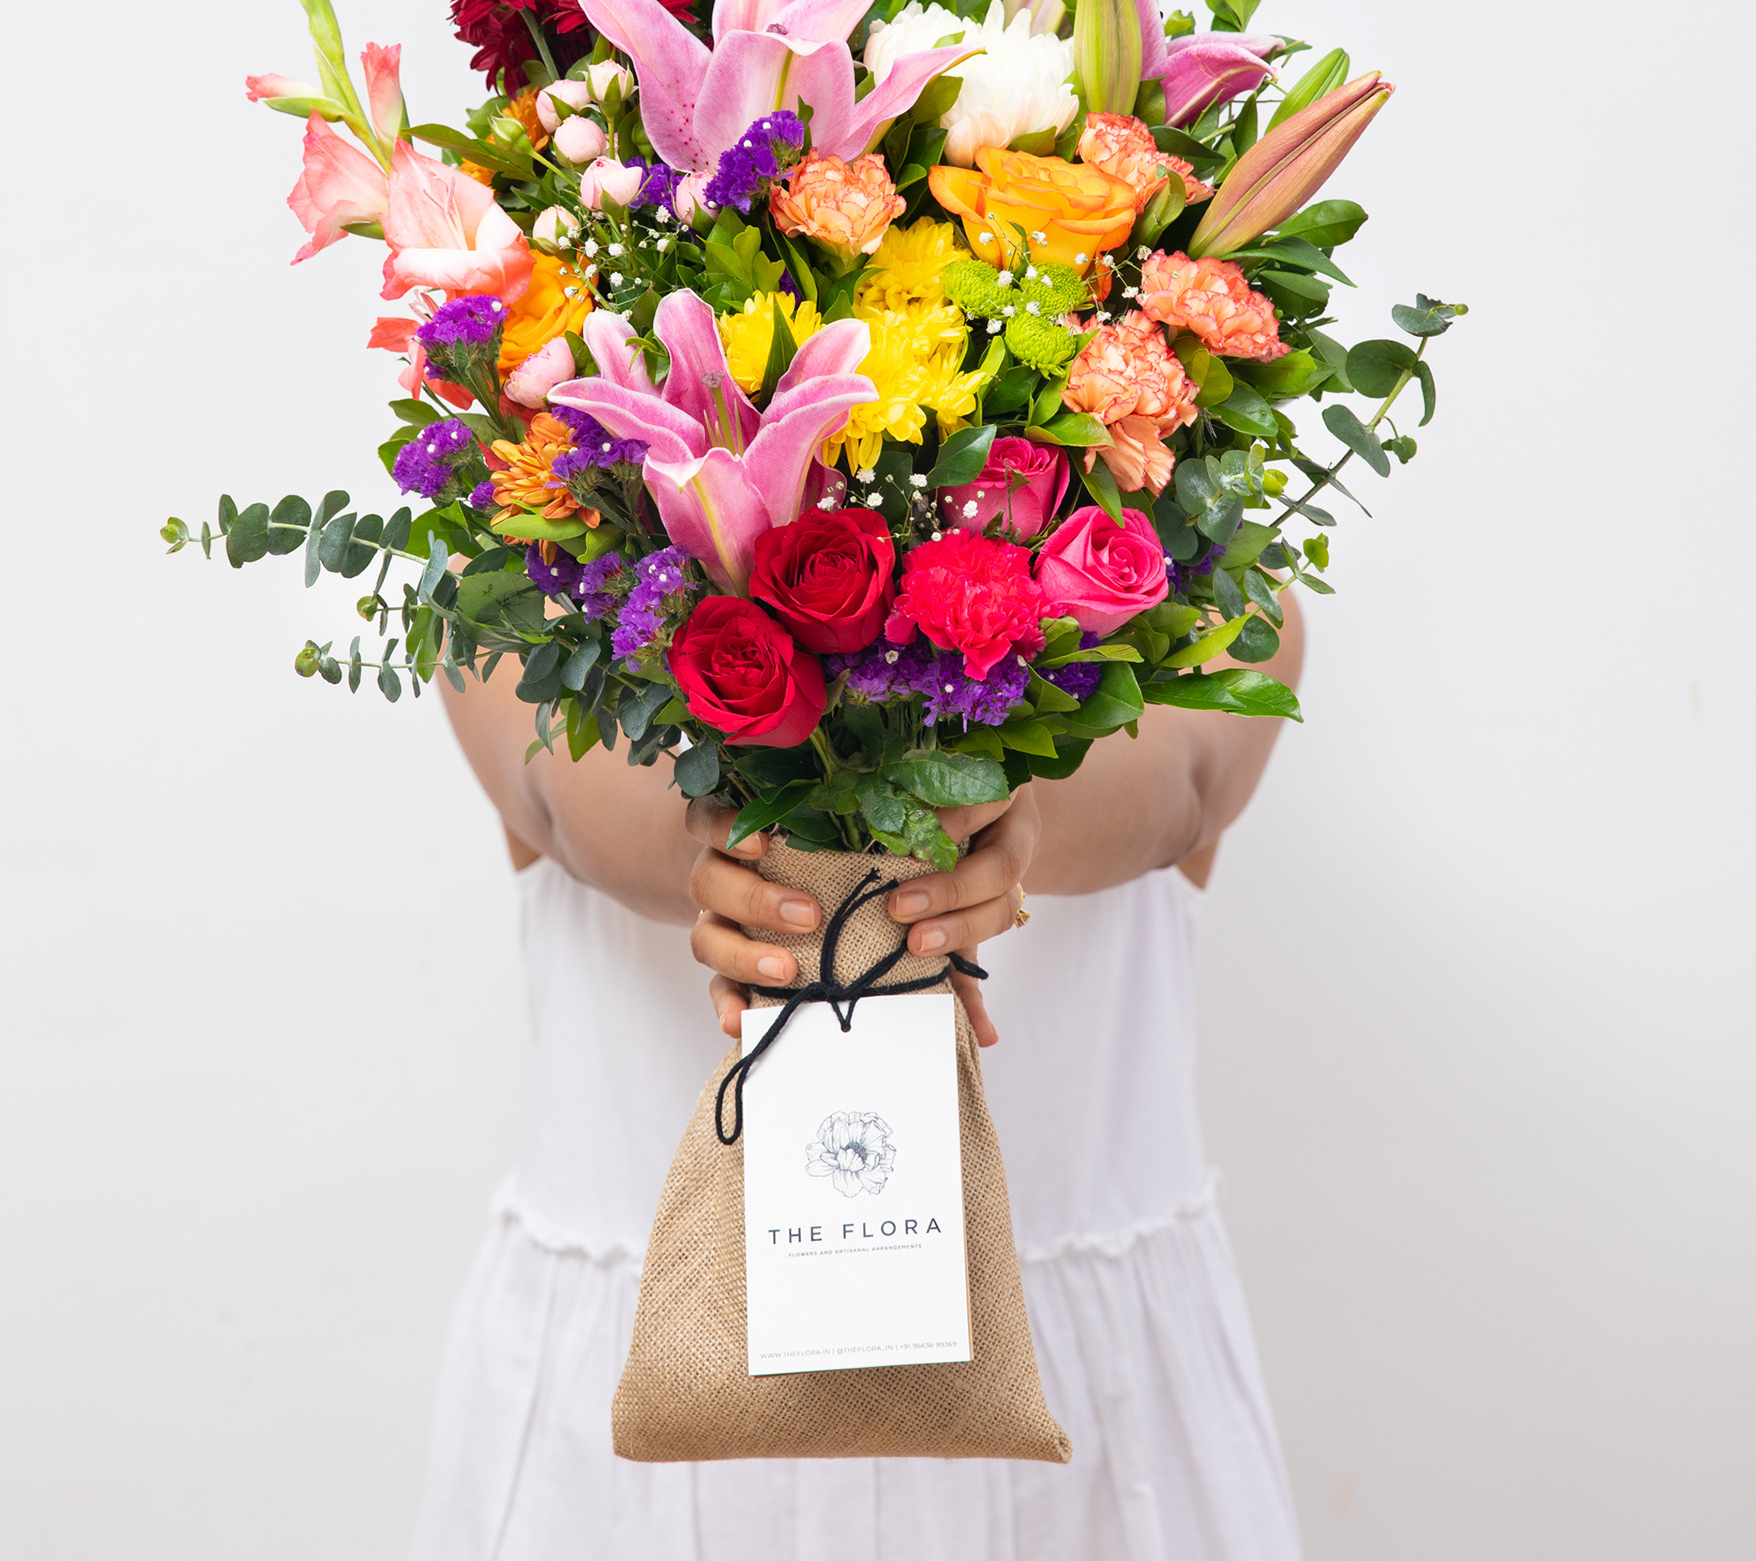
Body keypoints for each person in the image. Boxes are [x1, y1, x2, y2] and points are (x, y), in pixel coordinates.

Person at [409, 619, 1307, 1561]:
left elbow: (1190, 773)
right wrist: (749, 866)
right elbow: (553, 785)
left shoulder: (1221, 565)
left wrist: (991, 825)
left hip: (1071, 1395)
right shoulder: (502, 569)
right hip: (665, 1362)